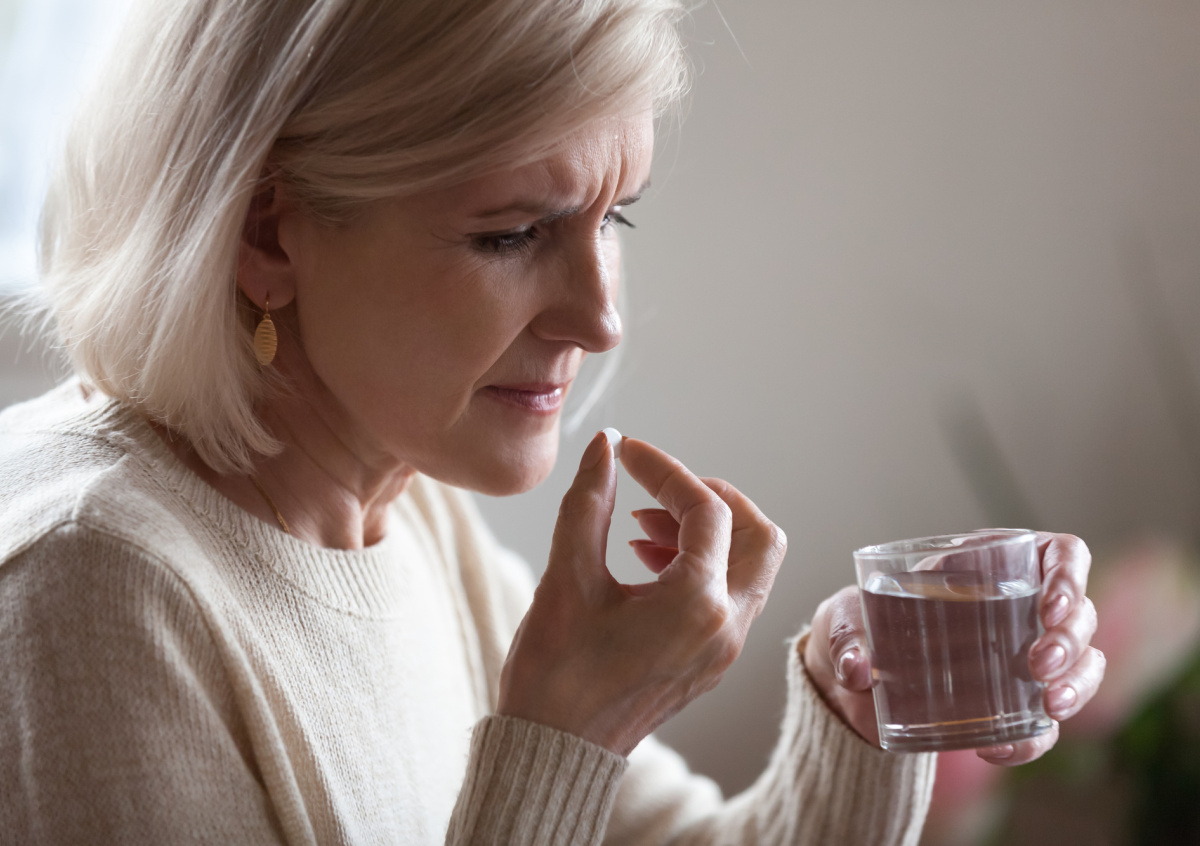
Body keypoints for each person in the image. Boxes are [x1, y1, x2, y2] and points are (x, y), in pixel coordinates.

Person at [0, 0, 1104, 843]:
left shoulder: (397, 506)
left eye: (614, 215)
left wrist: (861, 702)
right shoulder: (90, 587)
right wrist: (568, 736)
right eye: (514, 233)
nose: (603, 320)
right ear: (266, 235)